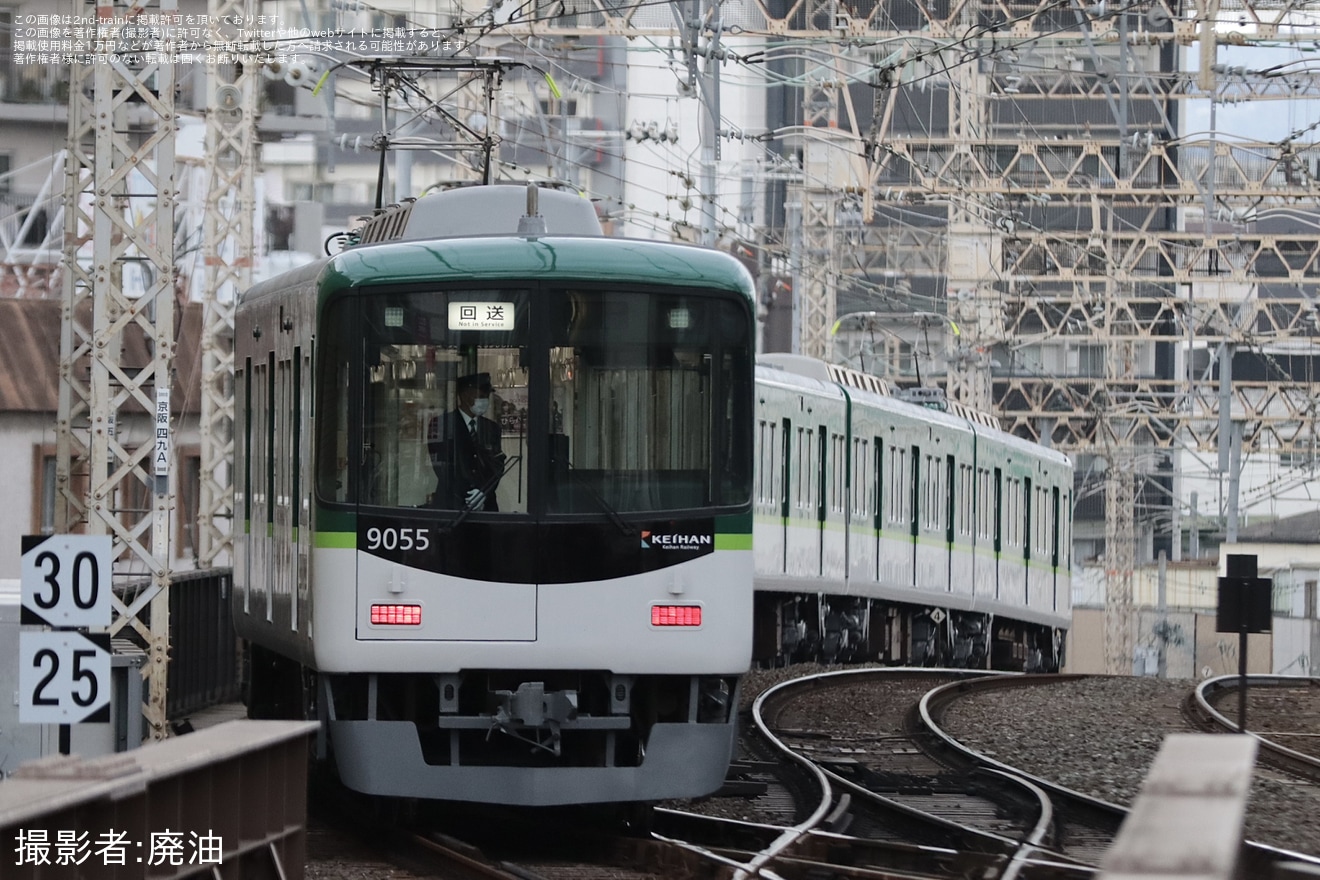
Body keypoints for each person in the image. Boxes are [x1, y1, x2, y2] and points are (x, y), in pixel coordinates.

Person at [428, 372, 506, 510]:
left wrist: (483, 493)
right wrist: (469, 496)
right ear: (464, 396)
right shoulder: (442, 424)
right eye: (481, 396)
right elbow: (442, 466)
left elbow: (496, 464)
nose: (485, 401)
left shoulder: (492, 428)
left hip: (486, 505)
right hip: (453, 503)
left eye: (487, 396)